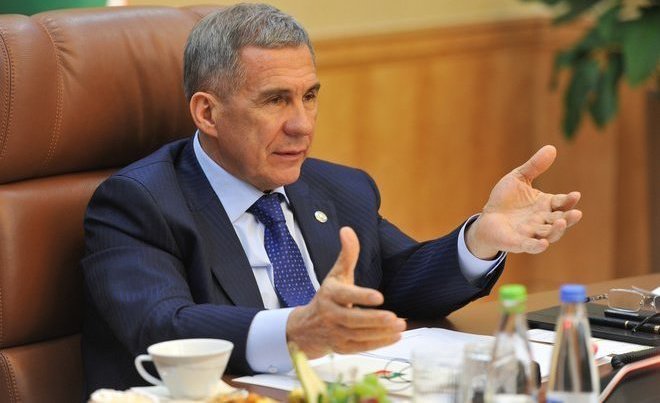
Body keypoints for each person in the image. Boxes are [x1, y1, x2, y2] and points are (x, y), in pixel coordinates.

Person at [81, 3, 582, 394]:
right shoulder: (138, 203)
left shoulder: (338, 187)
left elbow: (399, 285)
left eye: (310, 96)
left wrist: (479, 239)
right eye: (275, 100)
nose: (302, 125)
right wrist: (295, 330)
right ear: (208, 113)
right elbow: (163, 328)